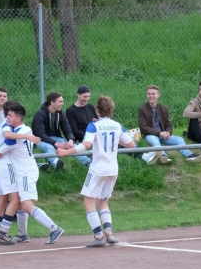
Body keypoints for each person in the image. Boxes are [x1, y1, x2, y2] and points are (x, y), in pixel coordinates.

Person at [55, 95, 135, 247]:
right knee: (103, 202)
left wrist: (65, 153)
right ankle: (109, 233)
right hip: (112, 169)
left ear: (97, 110)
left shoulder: (94, 126)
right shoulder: (118, 125)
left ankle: (99, 236)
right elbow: (131, 144)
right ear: (111, 110)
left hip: (98, 169)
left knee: (89, 202)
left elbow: (86, 145)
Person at [0, 101, 65, 246]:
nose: (7, 118)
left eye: (10, 116)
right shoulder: (25, 130)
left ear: (18, 118)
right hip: (25, 170)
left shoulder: (15, 137)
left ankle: (54, 228)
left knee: (26, 205)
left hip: (25, 172)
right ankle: (22, 234)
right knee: (18, 204)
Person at [138, 85, 201, 164]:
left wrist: (168, 132)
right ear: (147, 95)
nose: (151, 96)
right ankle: (163, 156)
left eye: (153, 94)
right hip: (151, 134)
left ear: (158, 95)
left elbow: (168, 124)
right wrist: (159, 133)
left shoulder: (164, 108)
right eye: (149, 94)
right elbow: (144, 127)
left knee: (179, 139)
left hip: (163, 134)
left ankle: (189, 155)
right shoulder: (143, 109)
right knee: (155, 142)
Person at [31, 91, 75, 172]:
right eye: (60, 101)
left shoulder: (61, 114)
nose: (63, 104)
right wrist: (56, 143)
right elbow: (40, 134)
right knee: (49, 147)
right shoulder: (40, 115)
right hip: (39, 140)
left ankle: (88, 162)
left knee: (72, 146)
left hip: (55, 138)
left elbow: (67, 129)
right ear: (52, 102)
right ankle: (56, 163)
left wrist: (70, 140)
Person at [64, 85, 95, 166]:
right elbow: (74, 131)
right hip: (82, 137)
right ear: (78, 95)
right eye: (85, 97)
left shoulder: (91, 107)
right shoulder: (70, 111)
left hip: (93, 135)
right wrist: (89, 136)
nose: (87, 99)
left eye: (88, 96)